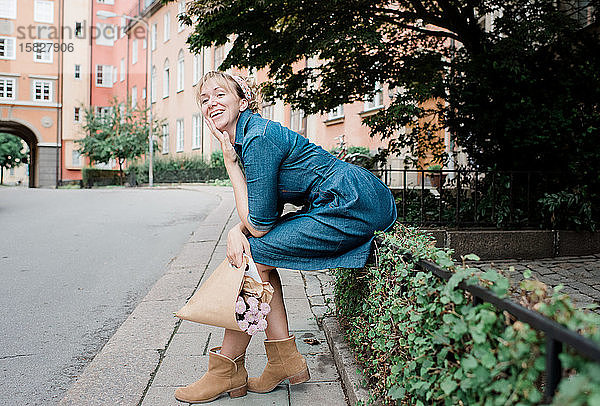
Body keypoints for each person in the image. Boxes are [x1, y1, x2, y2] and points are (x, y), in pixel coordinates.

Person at [174, 71, 397, 403]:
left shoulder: (257, 138)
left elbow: (260, 225)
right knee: (262, 257)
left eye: (220, 95)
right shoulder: (248, 136)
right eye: (204, 100)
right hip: (346, 198)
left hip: (351, 202)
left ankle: (229, 370)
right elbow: (264, 213)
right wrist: (240, 226)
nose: (211, 104)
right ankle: (281, 361)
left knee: (254, 253)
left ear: (243, 100)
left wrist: (231, 168)